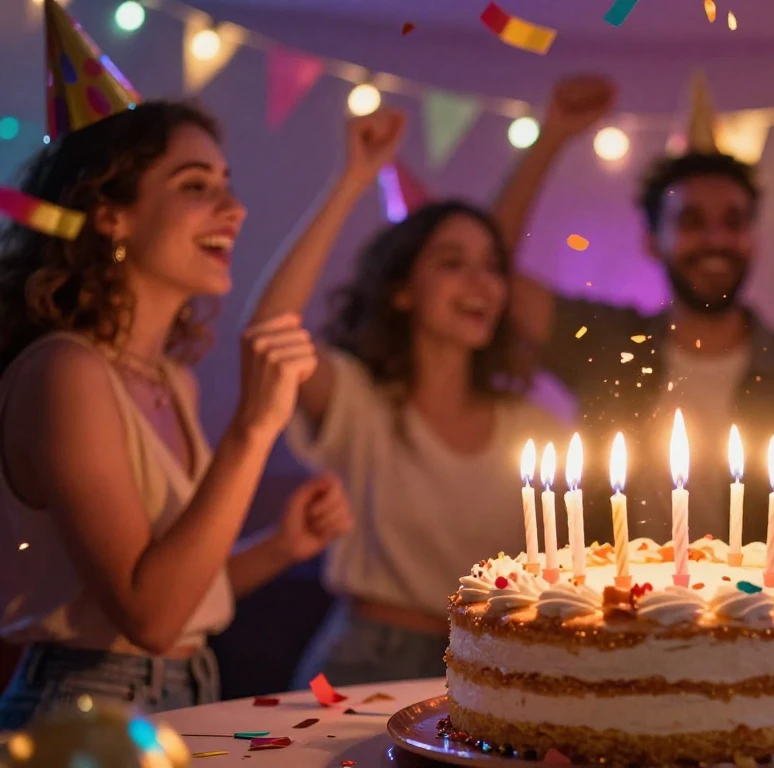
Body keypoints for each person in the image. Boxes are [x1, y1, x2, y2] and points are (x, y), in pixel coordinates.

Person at [0, 101, 351, 726]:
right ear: (110, 216)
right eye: (195, 186)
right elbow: (150, 619)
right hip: (85, 710)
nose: (234, 208)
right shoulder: (66, 373)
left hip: (187, 690)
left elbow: (182, 596)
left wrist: (282, 547)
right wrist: (252, 429)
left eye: (226, 184)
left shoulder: (171, 381)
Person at [246, 108, 565, 687]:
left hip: (493, 661)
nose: (481, 284)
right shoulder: (361, 401)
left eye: (492, 267)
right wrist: (351, 181)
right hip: (369, 658)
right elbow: (270, 333)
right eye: (452, 263)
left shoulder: (534, 428)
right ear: (401, 291)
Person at [499, 76, 774, 542]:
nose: (715, 239)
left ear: (753, 240)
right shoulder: (607, 345)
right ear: (651, 240)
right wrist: (552, 136)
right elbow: (489, 276)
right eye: (691, 221)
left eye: (734, 222)